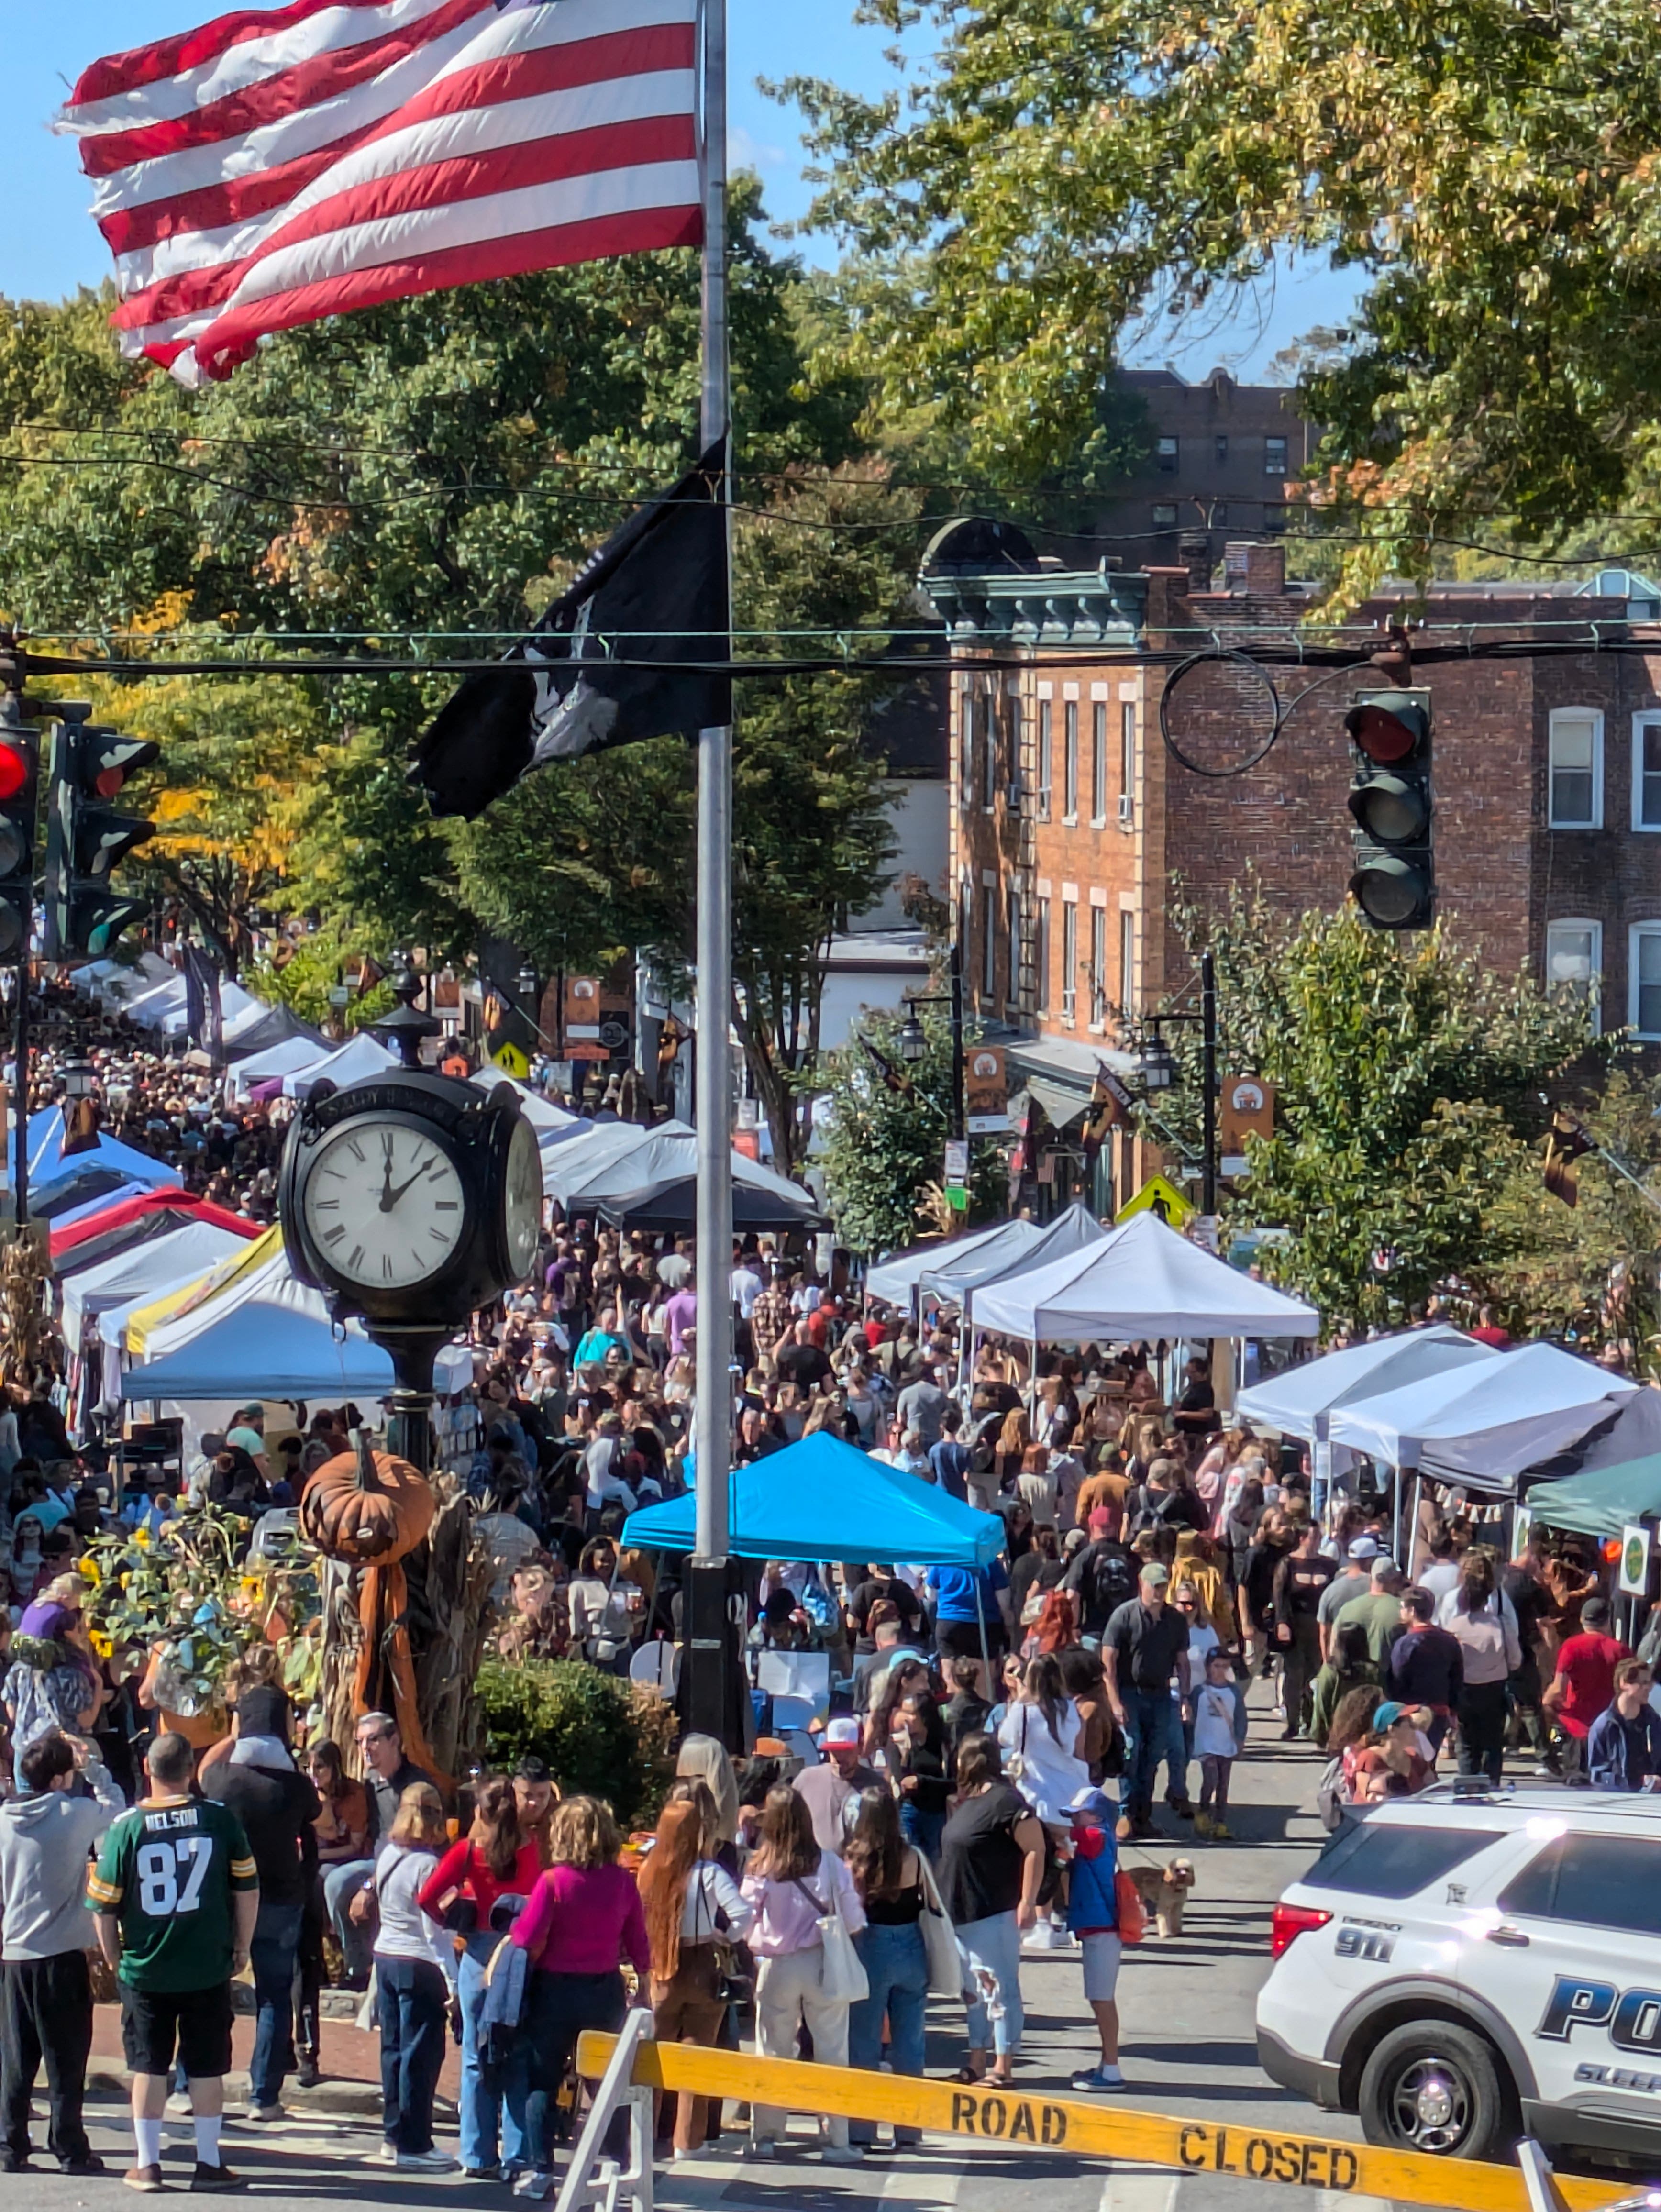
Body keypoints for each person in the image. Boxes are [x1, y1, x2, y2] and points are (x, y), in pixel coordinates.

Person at [87, 1729, 259, 2195]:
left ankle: (147, 2164)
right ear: (190, 1770)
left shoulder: (126, 1826)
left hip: (146, 1967)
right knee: (206, 2066)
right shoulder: (218, 1820)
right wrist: (241, 1946)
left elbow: (103, 1904)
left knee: (148, 2065)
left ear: (148, 1768)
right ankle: (208, 2162)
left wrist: (113, 1957)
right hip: (207, 1963)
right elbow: (247, 1887)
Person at [510, 1796, 650, 2200]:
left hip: (553, 1988)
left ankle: (541, 2171)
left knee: (542, 2079)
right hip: (603, 1989)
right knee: (605, 2082)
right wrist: (643, 1982)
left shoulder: (553, 1882)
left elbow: (527, 1937)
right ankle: (618, 2163)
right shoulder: (623, 1882)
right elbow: (637, 1939)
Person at [0, 1727, 122, 2175]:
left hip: (15, 1955)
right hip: (62, 1954)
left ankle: (10, 2143)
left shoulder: (3, 1823)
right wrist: (93, 1765)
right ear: (57, 1779)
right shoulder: (74, 1814)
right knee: (66, 2058)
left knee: (16, 2058)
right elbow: (116, 1807)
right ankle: (68, 2144)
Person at [418, 1775, 543, 2179]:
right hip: (519, 1955)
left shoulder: (468, 1852)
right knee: (519, 2057)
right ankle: (519, 2155)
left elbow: (426, 1897)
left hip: (477, 1954)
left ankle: (476, 2153)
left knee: (475, 2058)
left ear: (479, 1812)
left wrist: (453, 1923)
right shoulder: (533, 1852)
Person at [739, 1784, 866, 2163]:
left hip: (777, 1964)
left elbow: (745, 1917)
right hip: (822, 1960)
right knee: (832, 2048)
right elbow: (855, 1920)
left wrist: (757, 1942)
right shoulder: (829, 1863)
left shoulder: (761, 1866)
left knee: (772, 2050)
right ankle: (837, 2138)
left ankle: (767, 2134)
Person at [204, 1723, 320, 2123]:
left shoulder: (223, 1780)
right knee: (274, 1996)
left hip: (228, 1898)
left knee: (209, 1991)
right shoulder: (295, 1786)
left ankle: (192, 2084)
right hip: (281, 1898)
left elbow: (203, 1773)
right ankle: (263, 2097)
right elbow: (315, 1810)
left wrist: (231, 1737)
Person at [638, 1790, 752, 2158]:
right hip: (703, 1962)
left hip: (662, 1966)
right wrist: (726, 1936)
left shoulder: (648, 1868)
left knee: (655, 2058)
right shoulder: (709, 1872)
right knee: (697, 2056)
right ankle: (687, 2142)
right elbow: (743, 1916)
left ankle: (646, 2134)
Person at [938, 1735, 1044, 2088]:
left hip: (992, 1913)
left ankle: (1004, 2066)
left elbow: (1035, 1848)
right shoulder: (970, 1801)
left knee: (1000, 1990)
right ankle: (977, 2062)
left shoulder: (1006, 1801)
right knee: (974, 1994)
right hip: (962, 1915)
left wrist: (1027, 1902)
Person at [370, 1781, 457, 2172]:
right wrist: (451, 1980)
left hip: (385, 1956)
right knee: (420, 2055)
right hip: (418, 1963)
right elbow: (434, 1931)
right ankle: (416, 2142)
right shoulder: (429, 1865)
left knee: (392, 2050)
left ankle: (393, 2134)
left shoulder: (388, 1854)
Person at [844, 1789, 930, 2151]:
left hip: (872, 1947)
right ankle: (909, 2129)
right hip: (911, 1945)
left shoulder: (855, 1860)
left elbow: (851, 1909)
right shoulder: (912, 1856)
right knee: (909, 2043)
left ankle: (862, 2130)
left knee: (864, 2042)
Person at [326, 1711, 434, 1989]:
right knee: (326, 1877)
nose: (366, 1748)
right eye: (361, 1742)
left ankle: (369, 1968)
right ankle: (350, 1965)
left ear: (394, 1740)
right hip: (373, 1861)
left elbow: (419, 1846)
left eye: (373, 1740)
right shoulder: (371, 1784)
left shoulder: (416, 1787)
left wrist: (370, 1885)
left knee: (339, 1882)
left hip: (408, 1864)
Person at [1102, 1564, 1193, 1840]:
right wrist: (1115, 1703)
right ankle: (1125, 1815)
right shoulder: (1124, 1616)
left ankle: (1144, 1817)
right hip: (1130, 1693)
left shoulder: (1175, 1620)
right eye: (1154, 1586)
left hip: (1162, 1695)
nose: (1159, 1591)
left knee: (1153, 1757)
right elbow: (1108, 1662)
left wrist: (1185, 1698)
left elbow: (1183, 1662)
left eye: (1163, 1586)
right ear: (1141, 1583)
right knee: (1131, 1752)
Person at [1062, 1786, 1126, 2091]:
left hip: (1102, 1929)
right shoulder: (1097, 1836)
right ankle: (1106, 2064)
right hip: (1097, 1929)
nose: (1075, 1821)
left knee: (1102, 2000)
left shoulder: (1097, 1836)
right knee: (1099, 1999)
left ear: (1097, 1816)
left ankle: (1112, 2070)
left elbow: (1061, 1835)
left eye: (1079, 1815)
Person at [1440, 1554, 1522, 1783]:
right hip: (1494, 1689)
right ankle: (1491, 1785)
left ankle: (1468, 1787)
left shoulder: (1453, 1628)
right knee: (1493, 1743)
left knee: (1467, 1744)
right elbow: (1515, 1659)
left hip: (1464, 1690)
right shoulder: (1500, 1624)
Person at [1545, 1595, 1630, 1784]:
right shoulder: (1621, 1651)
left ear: (1582, 1620)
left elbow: (1557, 1689)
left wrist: (1547, 1705)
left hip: (1576, 1728)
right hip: (1608, 1728)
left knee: (1576, 1788)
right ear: (1607, 1621)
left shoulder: (1571, 1647)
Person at [1270, 1521, 1334, 1740]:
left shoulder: (1328, 1565)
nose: (1317, 1541)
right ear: (1302, 1538)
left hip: (1320, 1625)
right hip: (1295, 1623)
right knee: (1293, 1673)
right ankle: (1292, 1722)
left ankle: (1312, 1721)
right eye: (1313, 1536)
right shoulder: (1288, 1564)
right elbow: (1279, 1596)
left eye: (1319, 1536)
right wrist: (1281, 1623)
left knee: (1316, 1673)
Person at [1385, 1588, 1464, 1753]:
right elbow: (1456, 1679)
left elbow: (1397, 1680)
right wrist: (1454, 1710)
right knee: (1428, 1762)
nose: (1400, 1611)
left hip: (1410, 1714)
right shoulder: (1449, 1641)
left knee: (1410, 1763)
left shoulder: (1405, 1644)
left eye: (1402, 1607)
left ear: (1412, 1611)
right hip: (1439, 1712)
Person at [792, 1718, 879, 1857]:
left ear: (860, 1747)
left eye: (847, 1751)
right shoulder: (806, 1780)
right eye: (834, 1751)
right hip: (816, 1868)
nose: (840, 1757)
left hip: (861, 1867)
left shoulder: (876, 1785)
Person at [1192, 1649, 1242, 1841]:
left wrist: (1240, 1738)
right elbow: (1191, 1716)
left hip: (1226, 1744)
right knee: (1211, 1778)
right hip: (1206, 1744)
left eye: (1224, 1666)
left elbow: (1240, 1717)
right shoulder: (1199, 1692)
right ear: (1208, 1667)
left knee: (1223, 1785)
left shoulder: (1233, 1691)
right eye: (1216, 1666)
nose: (1220, 1671)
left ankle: (1220, 1822)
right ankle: (1203, 1811)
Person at [1587, 1659, 1661, 1790]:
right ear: (1624, 1683)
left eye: (1650, 1683)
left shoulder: (1654, 1723)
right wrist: (1636, 1782)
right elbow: (1597, 1775)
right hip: (1619, 1803)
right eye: (1643, 1683)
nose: (1648, 1688)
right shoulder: (1604, 1726)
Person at [1350, 1702, 1434, 1802]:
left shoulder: (1414, 1758)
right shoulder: (1370, 1758)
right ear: (1392, 1730)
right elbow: (1369, 1802)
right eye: (1410, 1725)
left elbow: (1435, 1789)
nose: (1416, 1729)